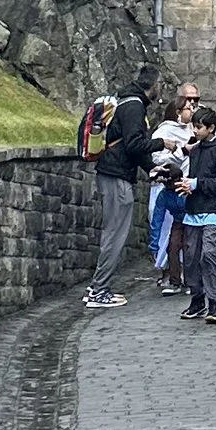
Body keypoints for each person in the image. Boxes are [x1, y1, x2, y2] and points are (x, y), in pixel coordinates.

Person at [84, 80, 150, 310]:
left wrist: (152, 169)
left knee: (113, 233)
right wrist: (162, 143)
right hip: (117, 176)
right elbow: (134, 145)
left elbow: (130, 146)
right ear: (154, 85)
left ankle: (97, 287)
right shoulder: (134, 106)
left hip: (112, 172)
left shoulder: (125, 101)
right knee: (114, 235)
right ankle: (99, 290)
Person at [181, 104, 216, 324]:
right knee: (191, 257)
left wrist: (196, 184)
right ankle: (197, 298)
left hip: (214, 210)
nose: (195, 131)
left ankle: (215, 302)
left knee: (208, 254)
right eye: (194, 126)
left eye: (199, 127)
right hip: (194, 209)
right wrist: (186, 185)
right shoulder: (196, 150)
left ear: (211, 128)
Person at [150, 84, 197, 290]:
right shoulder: (164, 131)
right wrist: (181, 152)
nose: (192, 109)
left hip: (186, 188)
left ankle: (188, 275)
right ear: (178, 112)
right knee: (168, 235)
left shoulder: (193, 129)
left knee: (187, 239)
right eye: (188, 107)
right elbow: (157, 158)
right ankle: (168, 272)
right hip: (168, 187)